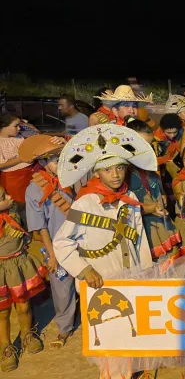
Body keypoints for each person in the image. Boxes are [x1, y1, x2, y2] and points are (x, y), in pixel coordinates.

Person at [53, 124, 155, 293]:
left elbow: (139, 237)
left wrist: (146, 272)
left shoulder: (130, 198)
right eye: (107, 170)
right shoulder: (84, 203)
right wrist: (84, 270)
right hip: (98, 282)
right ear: (97, 173)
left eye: (120, 168)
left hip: (132, 279)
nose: (115, 175)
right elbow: (62, 242)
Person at [23, 136, 77, 349]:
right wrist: (53, 254)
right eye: (54, 159)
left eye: (63, 157)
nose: (59, 163)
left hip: (82, 239)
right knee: (62, 287)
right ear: (44, 163)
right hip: (56, 243)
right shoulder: (34, 188)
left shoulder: (75, 177)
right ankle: (65, 328)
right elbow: (40, 226)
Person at [0, 184, 47, 372]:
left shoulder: (14, 211)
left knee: (24, 304)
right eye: (3, 197)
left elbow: (28, 233)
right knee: (2, 312)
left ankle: (28, 335)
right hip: (1, 270)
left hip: (18, 264)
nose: (10, 197)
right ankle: (5, 347)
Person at [126, 120, 181, 262]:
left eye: (149, 146)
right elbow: (124, 209)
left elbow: (158, 191)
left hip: (163, 226)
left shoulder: (150, 170)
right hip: (145, 231)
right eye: (140, 145)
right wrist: (151, 208)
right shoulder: (122, 174)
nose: (146, 150)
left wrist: (162, 198)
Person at [0, 114, 36, 207]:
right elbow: (1, 164)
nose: (19, 128)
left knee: (33, 201)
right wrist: (21, 159)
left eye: (19, 125)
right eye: (16, 126)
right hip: (13, 178)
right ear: (4, 127)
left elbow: (35, 134)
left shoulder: (19, 137)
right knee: (20, 205)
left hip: (30, 173)